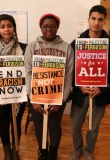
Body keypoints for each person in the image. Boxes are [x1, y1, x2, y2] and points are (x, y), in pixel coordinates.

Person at [69, 5, 110, 160]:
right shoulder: (76, 43)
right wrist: (79, 85)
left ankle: (89, 150)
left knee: (93, 127)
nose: (96, 22)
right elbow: (70, 69)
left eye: (100, 19)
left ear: (104, 21)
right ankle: (78, 149)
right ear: (88, 20)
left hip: (100, 94)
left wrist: (102, 88)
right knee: (75, 126)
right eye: (93, 18)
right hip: (80, 93)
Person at [25, 13, 74, 160]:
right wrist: (33, 99)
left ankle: (53, 151)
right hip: (36, 96)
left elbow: (68, 76)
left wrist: (61, 99)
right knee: (39, 126)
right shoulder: (32, 46)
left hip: (57, 97)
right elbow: (28, 73)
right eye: (46, 26)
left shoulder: (67, 48)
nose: (49, 29)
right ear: (40, 27)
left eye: (53, 26)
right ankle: (42, 151)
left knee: (54, 126)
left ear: (57, 27)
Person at [0, 14, 27, 160]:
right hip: (0, 95)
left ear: (14, 28)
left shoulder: (24, 48)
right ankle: (6, 150)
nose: (6, 29)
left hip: (19, 96)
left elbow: (28, 71)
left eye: (9, 26)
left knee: (17, 122)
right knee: (3, 123)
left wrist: (25, 89)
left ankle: (16, 149)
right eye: (2, 27)